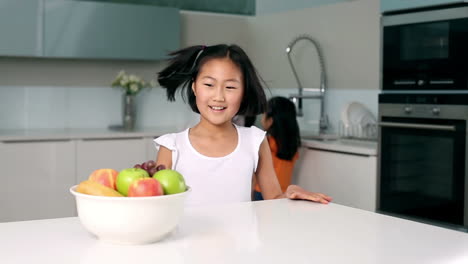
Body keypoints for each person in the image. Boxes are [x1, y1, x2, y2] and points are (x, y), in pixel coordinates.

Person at [155, 44, 332, 207]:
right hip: (187, 242)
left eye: (230, 87)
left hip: (242, 241)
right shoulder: (172, 146)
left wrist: (289, 194)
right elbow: (157, 207)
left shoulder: (255, 141)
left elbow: (273, 201)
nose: (219, 96)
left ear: (244, 92)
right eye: (209, 84)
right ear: (194, 87)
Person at [253, 96, 301, 201]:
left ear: (270, 121)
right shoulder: (292, 145)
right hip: (284, 193)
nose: (261, 119)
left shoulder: (266, 143)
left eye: (263, 115)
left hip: (262, 192)